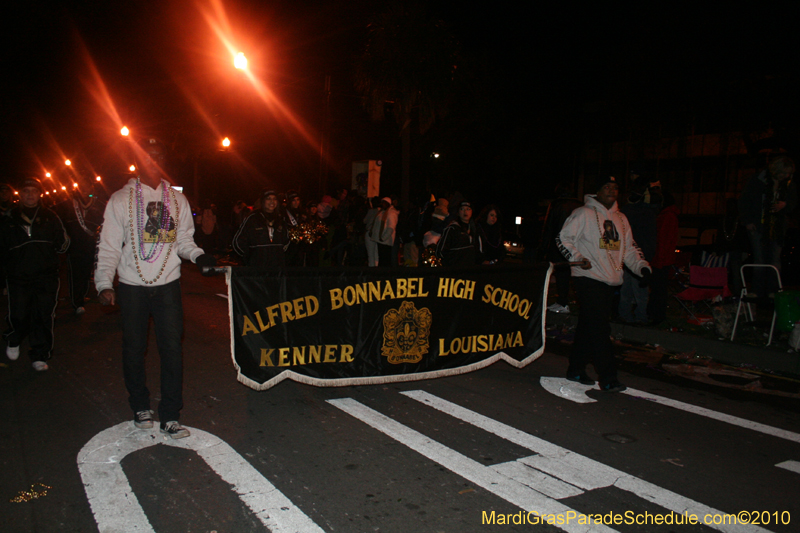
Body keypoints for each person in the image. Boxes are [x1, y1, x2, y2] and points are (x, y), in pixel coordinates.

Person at [95, 137, 215, 439]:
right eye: (147, 155)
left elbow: (183, 240)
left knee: (172, 349)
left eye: (159, 155)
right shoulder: (120, 199)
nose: (153, 160)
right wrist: (104, 283)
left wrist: (198, 256)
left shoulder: (177, 200)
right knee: (134, 348)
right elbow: (109, 245)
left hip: (167, 286)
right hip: (132, 287)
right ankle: (140, 406)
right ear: (136, 160)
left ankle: (171, 415)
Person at [557, 176, 651, 392]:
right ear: (597, 191)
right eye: (606, 187)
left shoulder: (621, 218)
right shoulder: (583, 213)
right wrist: (577, 258)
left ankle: (576, 368)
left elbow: (629, 248)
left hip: (610, 279)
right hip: (587, 277)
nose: (611, 190)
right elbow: (563, 238)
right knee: (600, 328)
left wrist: (642, 267)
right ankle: (608, 376)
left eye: (615, 187)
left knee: (588, 325)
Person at [1, 178, 69, 370]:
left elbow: (63, 242)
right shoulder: (8, 218)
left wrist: (56, 248)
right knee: (19, 312)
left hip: (46, 275)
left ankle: (40, 355)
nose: (30, 195)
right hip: (18, 276)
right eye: (26, 191)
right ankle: (14, 337)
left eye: (34, 191)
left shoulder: (50, 216)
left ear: (40, 194)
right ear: (19, 194)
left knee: (43, 314)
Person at [738, 155, 797, 297]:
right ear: (776, 170)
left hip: (777, 227)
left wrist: (785, 204)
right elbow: (745, 200)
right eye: (783, 173)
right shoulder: (757, 180)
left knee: (775, 259)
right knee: (759, 258)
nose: (786, 176)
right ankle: (756, 290)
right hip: (758, 225)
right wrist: (747, 221)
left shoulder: (788, 184)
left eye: (788, 173)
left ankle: (773, 290)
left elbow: (794, 202)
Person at [617, 174, 660, 324]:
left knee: (629, 290)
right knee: (636, 291)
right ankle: (638, 317)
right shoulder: (646, 213)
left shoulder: (627, 211)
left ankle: (627, 315)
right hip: (637, 256)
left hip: (632, 256)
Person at [56, 185, 105, 315]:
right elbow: (56, 219)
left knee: (86, 273)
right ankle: (77, 302)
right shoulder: (67, 205)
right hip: (74, 246)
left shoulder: (98, 205)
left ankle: (82, 295)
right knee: (75, 274)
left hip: (91, 245)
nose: (84, 190)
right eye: (81, 186)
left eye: (87, 186)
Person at [538, 184, 582, 313]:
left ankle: (563, 301)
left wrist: (543, 249)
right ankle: (579, 302)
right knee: (577, 274)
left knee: (562, 274)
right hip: (578, 245)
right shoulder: (580, 205)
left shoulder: (557, 205)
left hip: (559, 246)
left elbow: (549, 227)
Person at [233, 189, 290, 269]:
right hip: (257, 268)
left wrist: (278, 254)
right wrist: (249, 259)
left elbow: (286, 241)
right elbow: (238, 241)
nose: (272, 202)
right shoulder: (253, 218)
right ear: (263, 201)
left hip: (277, 268)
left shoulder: (281, 219)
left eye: (274, 199)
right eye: (268, 198)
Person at [647, 191, 679, 324]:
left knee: (658, 289)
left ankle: (656, 315)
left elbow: (663, 240)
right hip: (663, 259)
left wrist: (658, 261)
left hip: (661, 260)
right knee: (659, 289)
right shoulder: (668, 215)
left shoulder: (667, 216)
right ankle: (656, 314)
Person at [436, 200, 482, 267]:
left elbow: (478, 252)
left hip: (471, 269)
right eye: (462, 209)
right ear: (458, 212)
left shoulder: (475, 229)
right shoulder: (452, 229)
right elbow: (440, 252)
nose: (465, 212)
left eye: (468, 209)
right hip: (455, 270)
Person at [367, 197, 399, 267]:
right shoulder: (382, 212)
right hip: (380, 240)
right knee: (381, 258)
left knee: (385, 259)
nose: (382, 204)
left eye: (384, 203)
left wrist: (383, 238)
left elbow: (391, 228)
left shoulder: (391, 213)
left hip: (385, 241)